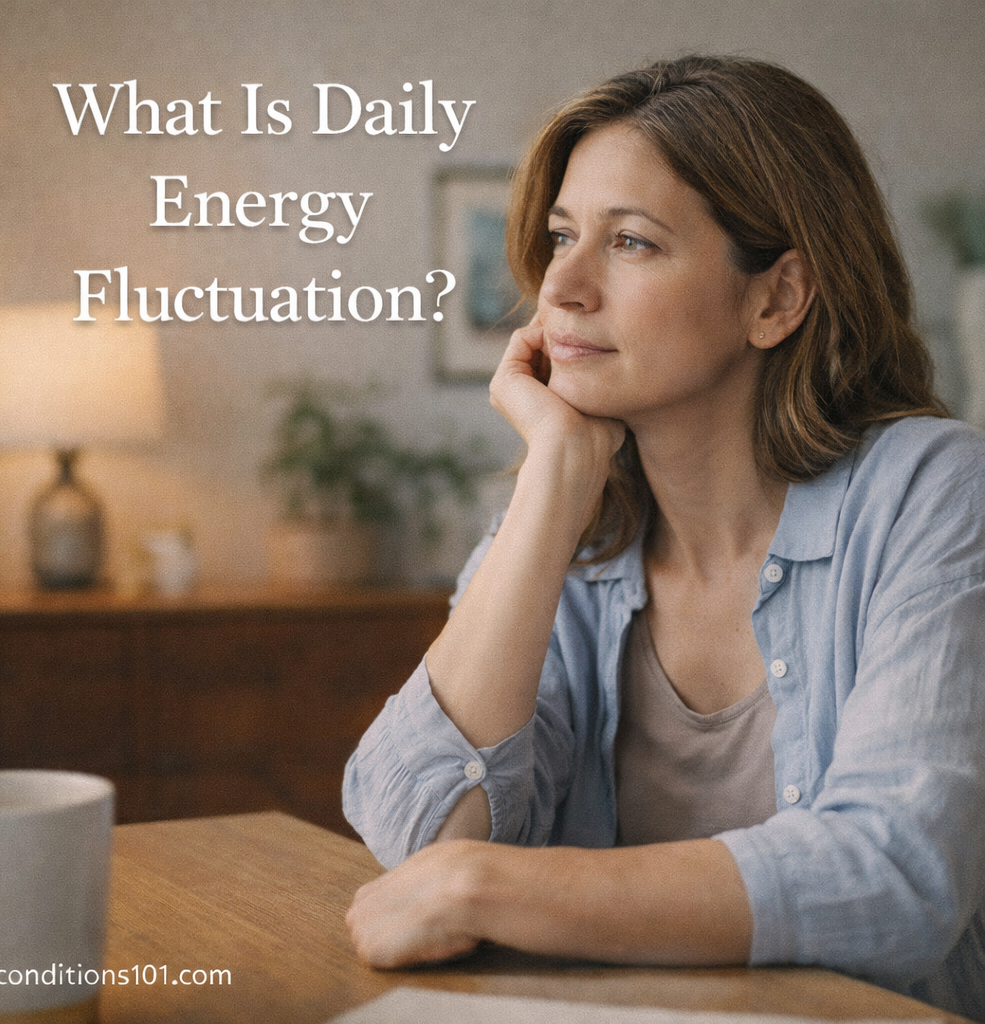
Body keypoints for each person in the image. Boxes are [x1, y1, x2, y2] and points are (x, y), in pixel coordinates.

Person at [342, 56, 985, 1020]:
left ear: (776, 298)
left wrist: (488, 889)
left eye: (630, 242)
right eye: (561, 236)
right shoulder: (568, 528)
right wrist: (554, 482)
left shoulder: (932, 491)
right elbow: (418, 831)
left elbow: (893, 872)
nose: (559, 285)